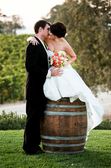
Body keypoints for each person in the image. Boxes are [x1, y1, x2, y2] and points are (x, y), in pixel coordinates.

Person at [29, 22, 104, 133]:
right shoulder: (47, 39)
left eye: (52, 33)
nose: (49, 33)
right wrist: (30, 39)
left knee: (71, 90)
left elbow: (74, 56)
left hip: (63, 69)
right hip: (51, 70)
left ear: (57, 35)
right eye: (49, 31)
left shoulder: (63, 42)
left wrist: (65, 63)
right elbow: (37, 37)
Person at [23, 20, 62, 155]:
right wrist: (50, 73)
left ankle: (35, 145)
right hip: (34, 88)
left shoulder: (41, 44)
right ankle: (29, 147)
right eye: (47, 29)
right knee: (32, 117)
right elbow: (30, 67)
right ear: (40, 29)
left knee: (37, 117)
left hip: (41, 88)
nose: (49, 32)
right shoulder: (33, 44)